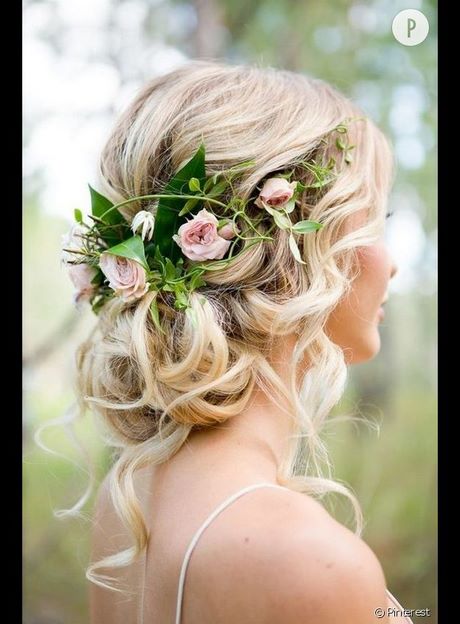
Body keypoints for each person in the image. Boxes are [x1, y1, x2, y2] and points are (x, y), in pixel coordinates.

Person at [66, 59, 412, 623]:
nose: (392, 265)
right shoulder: (305, 562)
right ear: (298, 247)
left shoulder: (129, 497)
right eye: (378, 218)